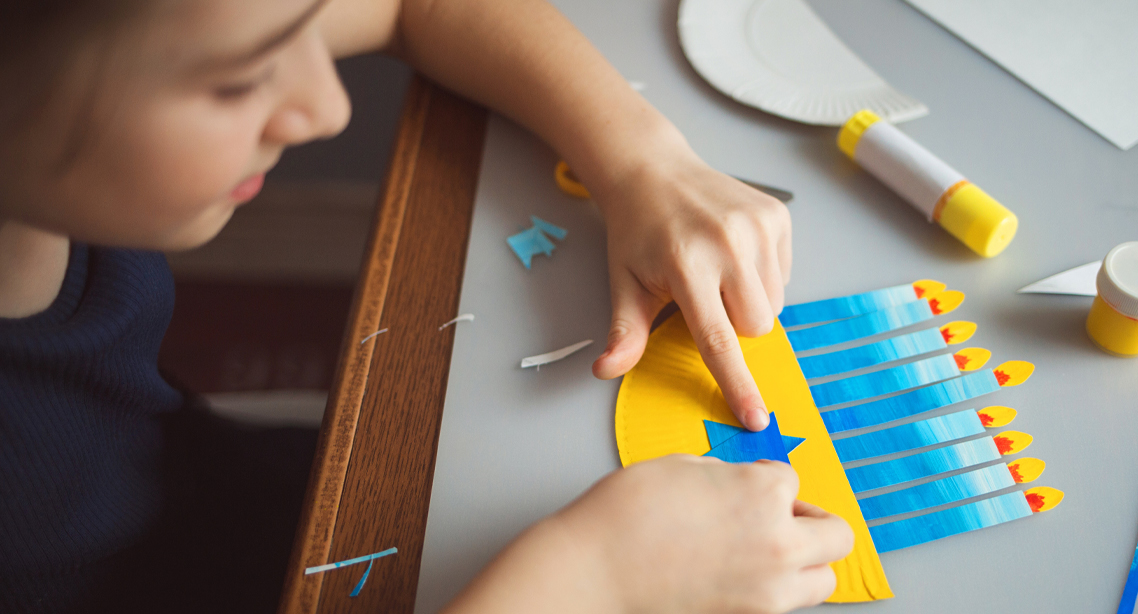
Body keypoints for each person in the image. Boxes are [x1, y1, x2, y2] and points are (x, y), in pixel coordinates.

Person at [0, 0, 854, 612]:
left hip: (222, 501)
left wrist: (642, 159)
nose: (329, 108)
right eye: (241, 79)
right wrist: (589, 582)